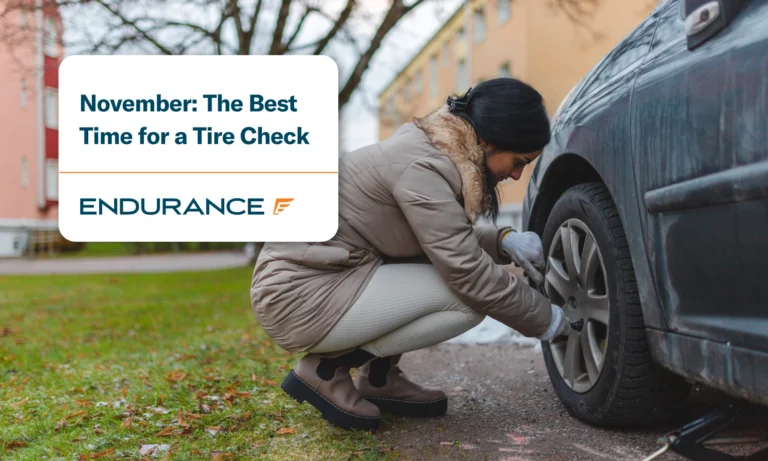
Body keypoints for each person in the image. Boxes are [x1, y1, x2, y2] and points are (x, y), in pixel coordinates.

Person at [250, 78, 572, 431]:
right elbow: (466, 271)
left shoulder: (433, 150)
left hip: (324, 278)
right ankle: (326, 369)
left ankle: (380, 378)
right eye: (518, 160)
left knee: (432, 269)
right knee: (467, 300)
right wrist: (546, 318)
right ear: (491, 140)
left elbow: (438, 235)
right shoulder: (425, 166)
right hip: (299, 296)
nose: (516, 174)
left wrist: (503, 240)